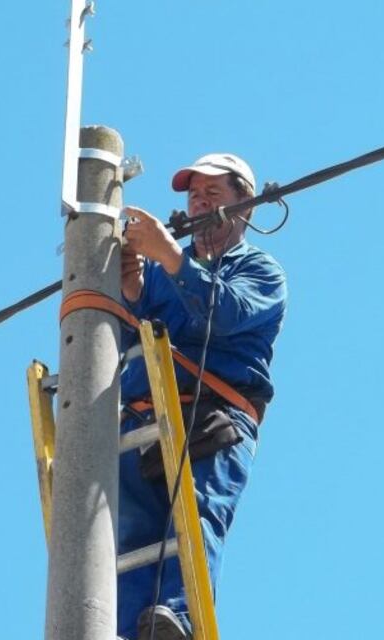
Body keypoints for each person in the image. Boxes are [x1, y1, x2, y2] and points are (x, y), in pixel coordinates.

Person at [117, 153, 287, 639]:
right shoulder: (159, 271)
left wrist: (170, 258)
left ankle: (178, 618)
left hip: (215, 415)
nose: (200, 205)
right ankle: (125, 629)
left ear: (245, 207)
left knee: (193, 516)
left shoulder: (259, 270)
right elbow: (124, 341)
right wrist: (130, 288)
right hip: (145, 420)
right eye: (195, 197)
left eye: (213, 194)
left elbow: (224, 313)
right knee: (133, 537)